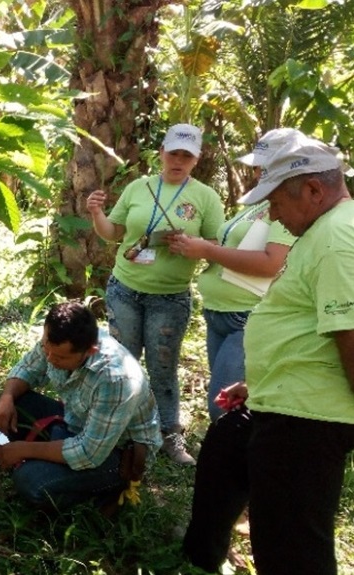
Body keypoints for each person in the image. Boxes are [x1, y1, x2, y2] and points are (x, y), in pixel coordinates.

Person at [183, 131, 354, 574]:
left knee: (290, 545)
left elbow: (351, 334)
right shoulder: (322, 230)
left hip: (308, 417)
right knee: (225, 449)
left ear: (314, 190)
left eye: (276, 202)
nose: (273, 214)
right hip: (284, 397)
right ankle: (200, 559)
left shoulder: (337, 240)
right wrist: (259, 381)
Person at [86, 123, 225, 464]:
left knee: (163, 367)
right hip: (125, 290)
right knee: (122, 363)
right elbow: (113, 233)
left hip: (171, 295)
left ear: (196, 159)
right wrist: (96, 212)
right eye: (173, 153)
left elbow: (218, 245)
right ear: (161, 153)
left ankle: (169, 435)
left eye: (186, 156)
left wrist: (193, 247)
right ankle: (120, 430)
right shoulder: (139, 187)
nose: (178, 160)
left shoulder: (206, 197)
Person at [168, 129, 296, 421]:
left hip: (246, 315)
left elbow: (271, 263)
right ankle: (230, 461)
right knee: (227, 399)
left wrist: (207, 251)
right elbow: (234, 246)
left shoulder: (284, 208)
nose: (257, 171)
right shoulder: (258, 203)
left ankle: (233, 464)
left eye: (265, 165)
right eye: (256, 164)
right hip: (219, 313)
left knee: (224, 404)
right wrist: (197, 246)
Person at [0, 302, 162, 512]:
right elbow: (28, 369)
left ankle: (107, 490)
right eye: (46, 348)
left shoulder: (116, 379)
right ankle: (46, 458)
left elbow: (88, 453)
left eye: (61, 357)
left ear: (90, 351)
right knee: (14, 402)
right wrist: (6, 398)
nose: (50, 359)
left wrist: (25, 449)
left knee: (30, 482)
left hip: (115, 452)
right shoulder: (57, 339)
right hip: (75, 422)